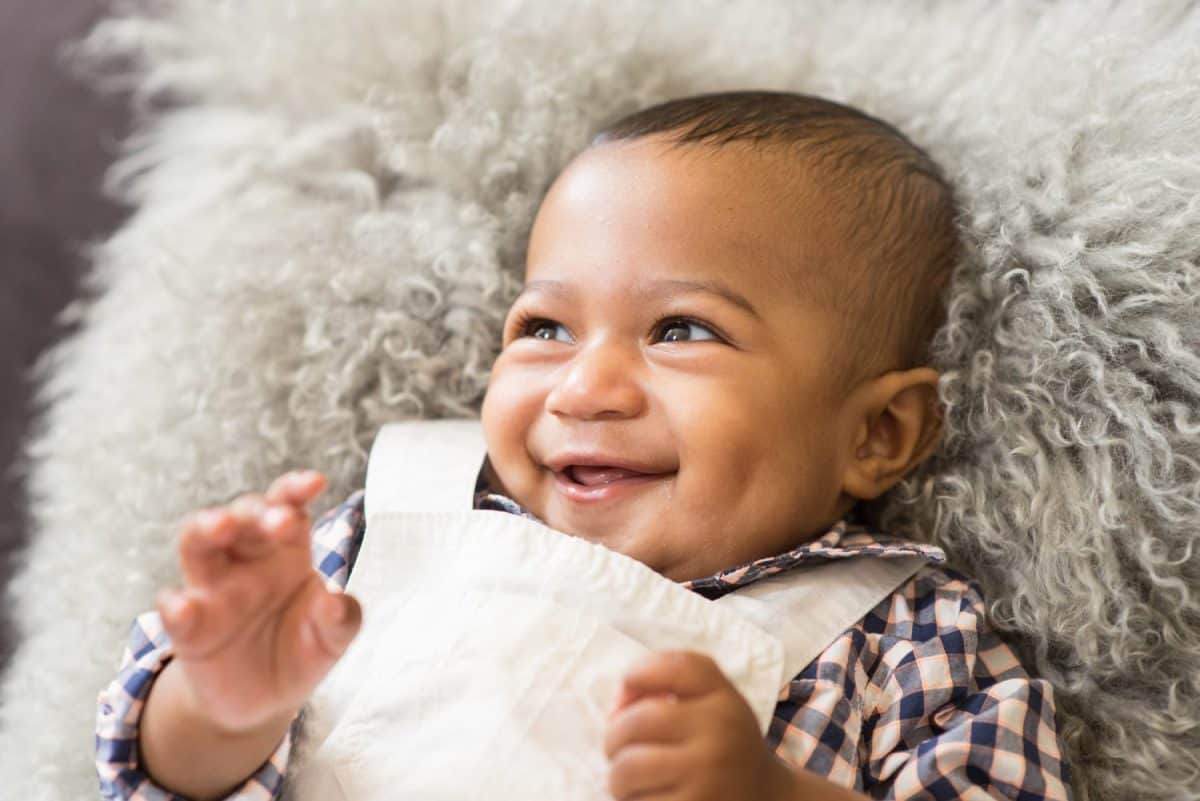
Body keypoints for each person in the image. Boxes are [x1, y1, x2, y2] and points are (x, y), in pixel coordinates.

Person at [95, 91, 1072, 801]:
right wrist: (224, 706)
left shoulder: (905, 637)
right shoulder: (394, 526)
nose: (584, 386)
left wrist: (771, 795)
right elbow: (155, 780)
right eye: (544, 328)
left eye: (682, 329)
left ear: (876, 434)